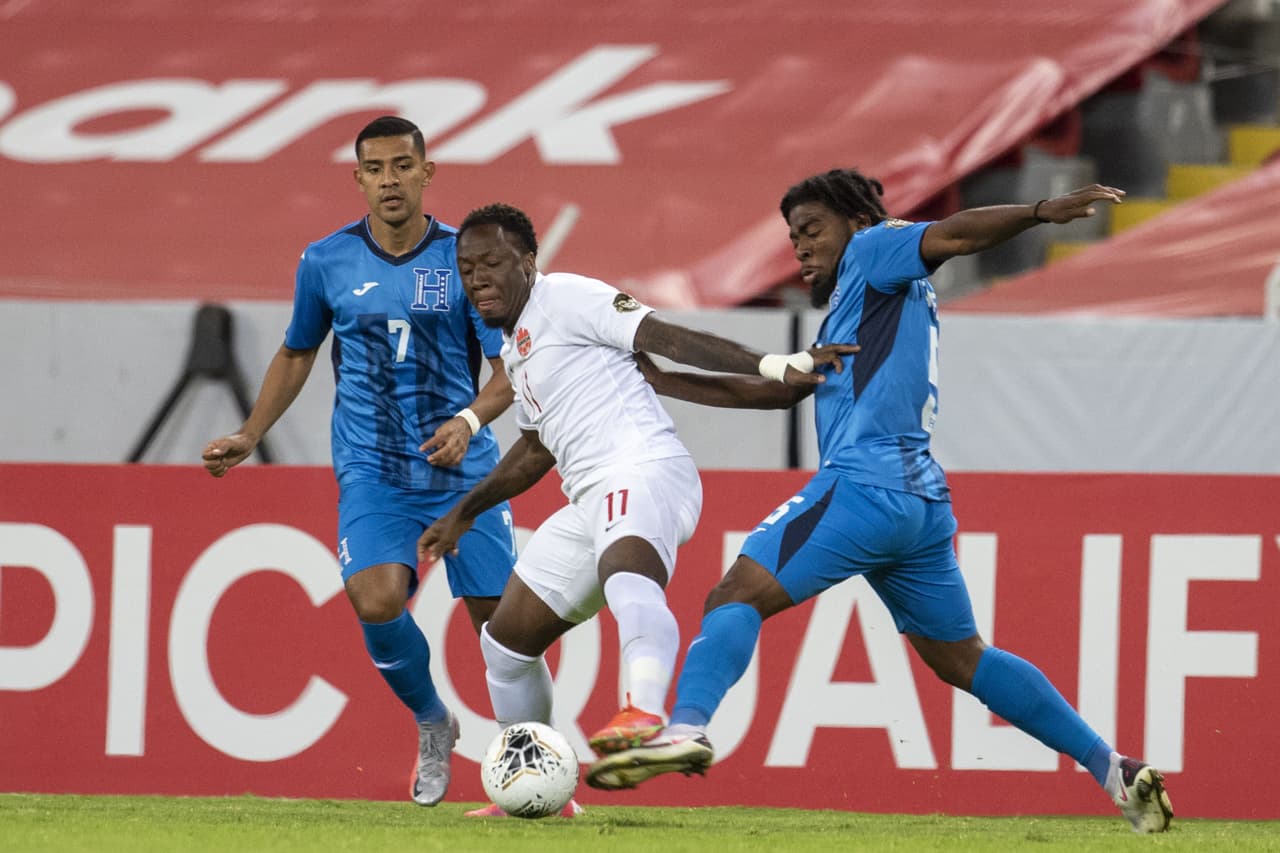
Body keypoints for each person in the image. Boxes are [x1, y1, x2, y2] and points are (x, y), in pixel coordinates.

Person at [585, 171, 1175, 835]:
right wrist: (669, 381)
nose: (800, 247)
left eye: (811, 229)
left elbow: (951, 234)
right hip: (921, 504)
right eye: (792, 237)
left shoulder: (874, 251)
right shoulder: (867, 301)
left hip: (864, 485)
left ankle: (685, 726)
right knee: (962, 657)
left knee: (732, 597)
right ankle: (1112, 766)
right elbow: (783, 391)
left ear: (857, 219)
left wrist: (1041, 210)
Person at [416, 202, 855, 816]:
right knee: (506, 645)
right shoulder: (515, 348)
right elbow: (538, 450)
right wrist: (465, 511)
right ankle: (539, 791)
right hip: (587, 499)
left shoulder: (567, 297)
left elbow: (665, 338)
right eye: (466, 269)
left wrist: (771, 362)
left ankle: (644, 707)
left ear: (529, 262)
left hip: (643, 470)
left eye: (491, 262)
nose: (478, 278)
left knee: (628, 581)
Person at [201, 116, 518, 808]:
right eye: (375, 169)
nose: (390, 180)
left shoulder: (465, 259)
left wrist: (468, 422)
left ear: (428, 172)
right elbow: (296, 351)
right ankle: (434, 720)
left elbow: (509, 371)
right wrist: (251, 432)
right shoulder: (325, 261)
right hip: (373, 466)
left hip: (465, 469)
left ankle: (529, 764)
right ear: (358, 179)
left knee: (503, 633)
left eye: (403, 165)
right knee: (374, 597)